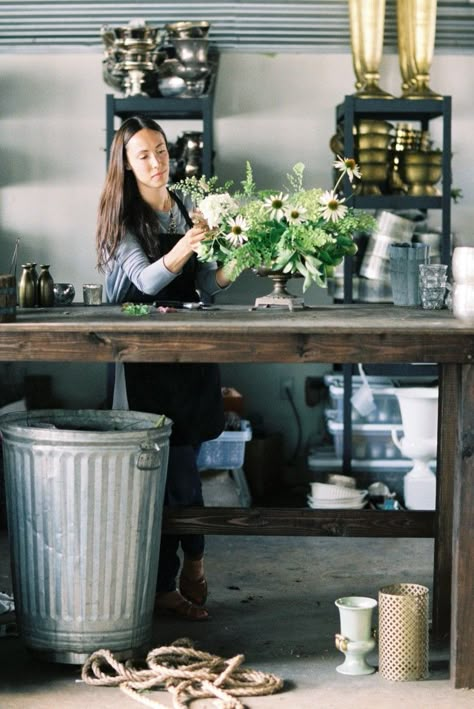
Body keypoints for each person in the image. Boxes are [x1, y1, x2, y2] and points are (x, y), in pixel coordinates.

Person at [96, 115, 234, 621]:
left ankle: (167, 583)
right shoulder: (124, 218)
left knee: (183, 470)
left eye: (161, 151)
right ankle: (184, 571)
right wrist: (189, 244)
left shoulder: (181, 208)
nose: (156, 163)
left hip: (190, 354)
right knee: (167, 479)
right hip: (144, 362)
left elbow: (203, 286)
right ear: (126, 165)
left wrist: (241, 251)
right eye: (143, 155)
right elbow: (146, 281)